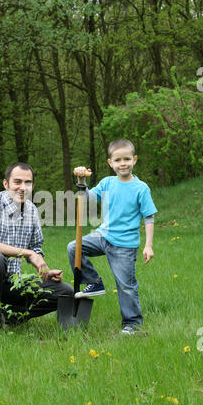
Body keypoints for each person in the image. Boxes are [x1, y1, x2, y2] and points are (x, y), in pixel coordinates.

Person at [0, 162, 73, 333]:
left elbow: (35, 247)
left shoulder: (32, 211)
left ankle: (10, 317)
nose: (22, 187)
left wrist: (44, 270)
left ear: (33, 186)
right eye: (17, 182)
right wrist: (28, 253)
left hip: (12, 282)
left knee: (64, 292)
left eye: (27, 183)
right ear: (6, 184)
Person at [67, 139, 157, 335]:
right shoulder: (107, 183)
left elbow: (149, 217)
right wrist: (82, 182)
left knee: (125, 286)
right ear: (110, 163)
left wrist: (148, 245)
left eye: (126, 159)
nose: (122, 163)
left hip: (124, 245)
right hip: (102, 236)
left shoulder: (141, 188)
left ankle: (132, 323)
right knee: (74, 247)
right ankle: (94, 281)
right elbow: (88, 199)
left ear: (134, 160)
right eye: (118, 160)